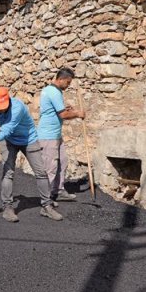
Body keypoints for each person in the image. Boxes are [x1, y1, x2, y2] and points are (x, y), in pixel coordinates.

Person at [0, 87, 63, 222]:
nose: (0, 110)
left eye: (3, 107)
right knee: (8, 173)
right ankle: (7, 207)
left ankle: (46, 206)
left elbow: (6, 130)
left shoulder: (17, 108)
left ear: (8, 100)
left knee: (41, 172)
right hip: (9, 142)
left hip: (28, 139)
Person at [37, 68, 86, 202]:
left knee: (62, 162)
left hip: (56, 134)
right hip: (48, 136)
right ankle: (46, 200)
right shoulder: (53, 92)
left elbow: (57, 111)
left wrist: (67, 109)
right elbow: (63, 115)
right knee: (51, 167)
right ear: (61, 79)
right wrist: (77, 113)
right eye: (68, 82)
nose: (68, 85)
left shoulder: (52, 90)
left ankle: (58, 190)